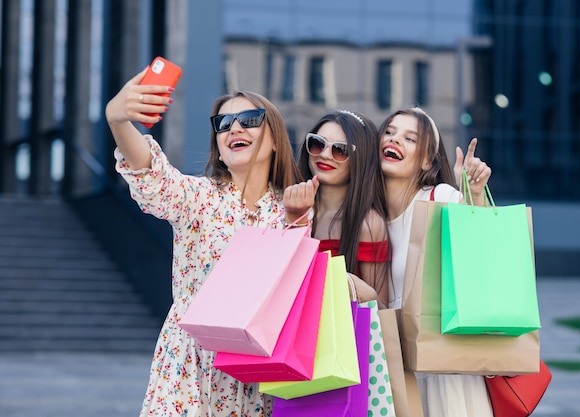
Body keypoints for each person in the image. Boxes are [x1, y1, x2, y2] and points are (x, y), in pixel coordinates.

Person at [105, 67, 317, 417]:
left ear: (276, 139)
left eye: (250, 119)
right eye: (223, 123)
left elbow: (299, 296)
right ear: (218, 145)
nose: (235, 127)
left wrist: (298, 221)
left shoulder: (293, 208)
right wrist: (118, 121)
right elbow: (151, 174)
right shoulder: (198, 197)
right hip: (189, 367)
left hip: (259, 374)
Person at [378, 107, 493, 417]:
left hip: (443, 366)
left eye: (409, 138)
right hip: (394, 367)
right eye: (389, 132)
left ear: (427, 159)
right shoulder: (369, 215)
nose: (395, 140)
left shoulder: (438, 197)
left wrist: (473, 193)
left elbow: (477, 246)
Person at [297, 109, 390, 306]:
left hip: (342, 334)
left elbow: (380, 311)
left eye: (341, 150)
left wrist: (353, 286)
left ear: (361, 159)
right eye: (317, 144)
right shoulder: (289, 209)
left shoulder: (368, 223)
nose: (325, 155)